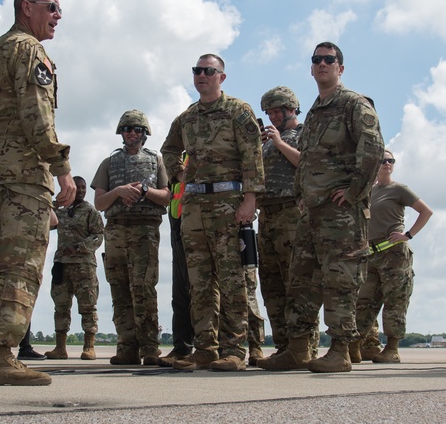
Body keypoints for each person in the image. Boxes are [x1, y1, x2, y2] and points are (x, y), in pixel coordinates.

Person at [0, 0, 75, 386]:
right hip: (25, 173)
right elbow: (37, 115)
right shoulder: (29, 50)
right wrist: (60, 166)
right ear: (27, 8)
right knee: (21, 263)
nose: (58, 15)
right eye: (53, 7)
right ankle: (0, 354)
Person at [258, 42, 383, 373]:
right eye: (317, 60)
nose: (322, 64)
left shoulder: (353, 105)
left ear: (340, 68)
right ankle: (297, 349)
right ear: (311, 69)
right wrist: (300, 195)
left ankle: (341, 350)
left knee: (339, 281)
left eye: (329, 59)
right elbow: (309, 160)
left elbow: (372, 150)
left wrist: (355, 192)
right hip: (310, 213)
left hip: (341, 214)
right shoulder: (314, 112)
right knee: (301, 281)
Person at [161, 54, 264, 372]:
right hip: (194, 208)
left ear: (222, 77)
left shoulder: (238, 110)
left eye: (208, 71)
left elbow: (252, 155)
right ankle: (205, 347)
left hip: (228, 204)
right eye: (196, 70)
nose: (201, 75)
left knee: (232, 279)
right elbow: (168, 148)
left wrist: (250, 200)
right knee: (199, 281)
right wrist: (178, 174)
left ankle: (234, 349)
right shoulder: (187, 117)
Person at [91, 110, 170, 366]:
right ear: (120, 133)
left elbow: (167, 196)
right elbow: (100, 203)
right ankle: (127, 346)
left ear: (145, 133)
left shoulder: (156, 160)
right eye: (127, 129)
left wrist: (145, 190)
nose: (132, 133)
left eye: (137, 129)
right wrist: (119, 191)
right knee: (119, 288)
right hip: (115, 230)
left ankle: (149, 347)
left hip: (145, 230)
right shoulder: (108, 163)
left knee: (144, 287)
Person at [255, 87, 319, 362]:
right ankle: (284, 346)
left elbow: (307, 165)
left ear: (292, 108)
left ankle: (305, 346)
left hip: (293, 214)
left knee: (297, 283)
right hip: (267, 216)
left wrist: (280, 143)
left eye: (277, 110)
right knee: (271, 285)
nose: (273, 116)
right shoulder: (267, 140)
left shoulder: (304, 133)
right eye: (269, 112)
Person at [354, 149, 433, 364]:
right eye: (382, 160)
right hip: (371, 254)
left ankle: (392, 348)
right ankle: (358, 346)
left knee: (395, 302)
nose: (387, 164)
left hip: (394, 254)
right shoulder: (369, 191)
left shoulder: (399, 189)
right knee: (364, 302)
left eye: (390, 160)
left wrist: (407, 235)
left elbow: (426, 211)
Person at [44, 176, 104, 361]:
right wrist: (56, 201)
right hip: (62, 265)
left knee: (87, 306)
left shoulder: (90, 212)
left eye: (84, 188)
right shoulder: (61, 211)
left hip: (84, 266)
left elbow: (99, 236)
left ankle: (89, 346)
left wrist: (79, 247)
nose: (81, 190)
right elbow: (46, 219)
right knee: (61, 307)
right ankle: (60, 347)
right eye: (77, 187)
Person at [156, 154, 195, 367]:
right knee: (179, 292)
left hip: (198, 225)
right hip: (177, 225)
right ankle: (182, 347)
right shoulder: (179, 157)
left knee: (201, 291)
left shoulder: (203, 150)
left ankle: (212, 346)